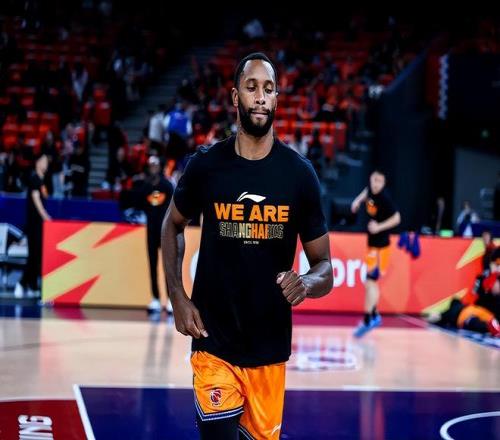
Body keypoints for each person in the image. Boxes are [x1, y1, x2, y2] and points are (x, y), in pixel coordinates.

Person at [161, 52, 333, 440]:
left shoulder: (299, 175)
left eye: (268, 89)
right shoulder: (207, 165)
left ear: (276, 99)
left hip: (269, 350)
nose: (260, 96)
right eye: (251, 87)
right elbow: (171, 225)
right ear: (235, 96)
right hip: (213, 342)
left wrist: (306, 283)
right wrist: (177, 295)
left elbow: (325, 267)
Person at [351, 170, 401, 337]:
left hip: (381, 248)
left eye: (379, 181)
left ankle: (369, 319)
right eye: (374, 180)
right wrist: (357, 201)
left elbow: (397, 218)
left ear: (384, 183)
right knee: (370, 282)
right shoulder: (370, 190)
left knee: (371, 281)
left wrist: (379, 227)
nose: (376, 183)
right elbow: (366, 192)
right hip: (372, 246)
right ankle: (374, 315)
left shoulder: (385, 199)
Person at [14, 154, 52, 298]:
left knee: (38, 256)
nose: (45, 164)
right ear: (37, 163)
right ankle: (21, 283)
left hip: (40, 225)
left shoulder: (42, 181)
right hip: (34, 223)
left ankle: (32, 285)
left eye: (46, 161)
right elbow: (36, 200)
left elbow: (45, 197)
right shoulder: (34, 179)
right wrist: (46, 217)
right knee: (33, 255)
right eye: (43, 161)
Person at [141, 156, 174, 313]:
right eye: (150, 165)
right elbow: (141, 204)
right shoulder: (145, 186)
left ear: (160, 166)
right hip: (151, 230)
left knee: (168, 266)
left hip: (165, 231)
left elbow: (172, 206)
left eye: (155, 165)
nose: (153, 167)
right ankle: (155, 298)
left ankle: (170, 300)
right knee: (152, 264)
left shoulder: (167, 185)